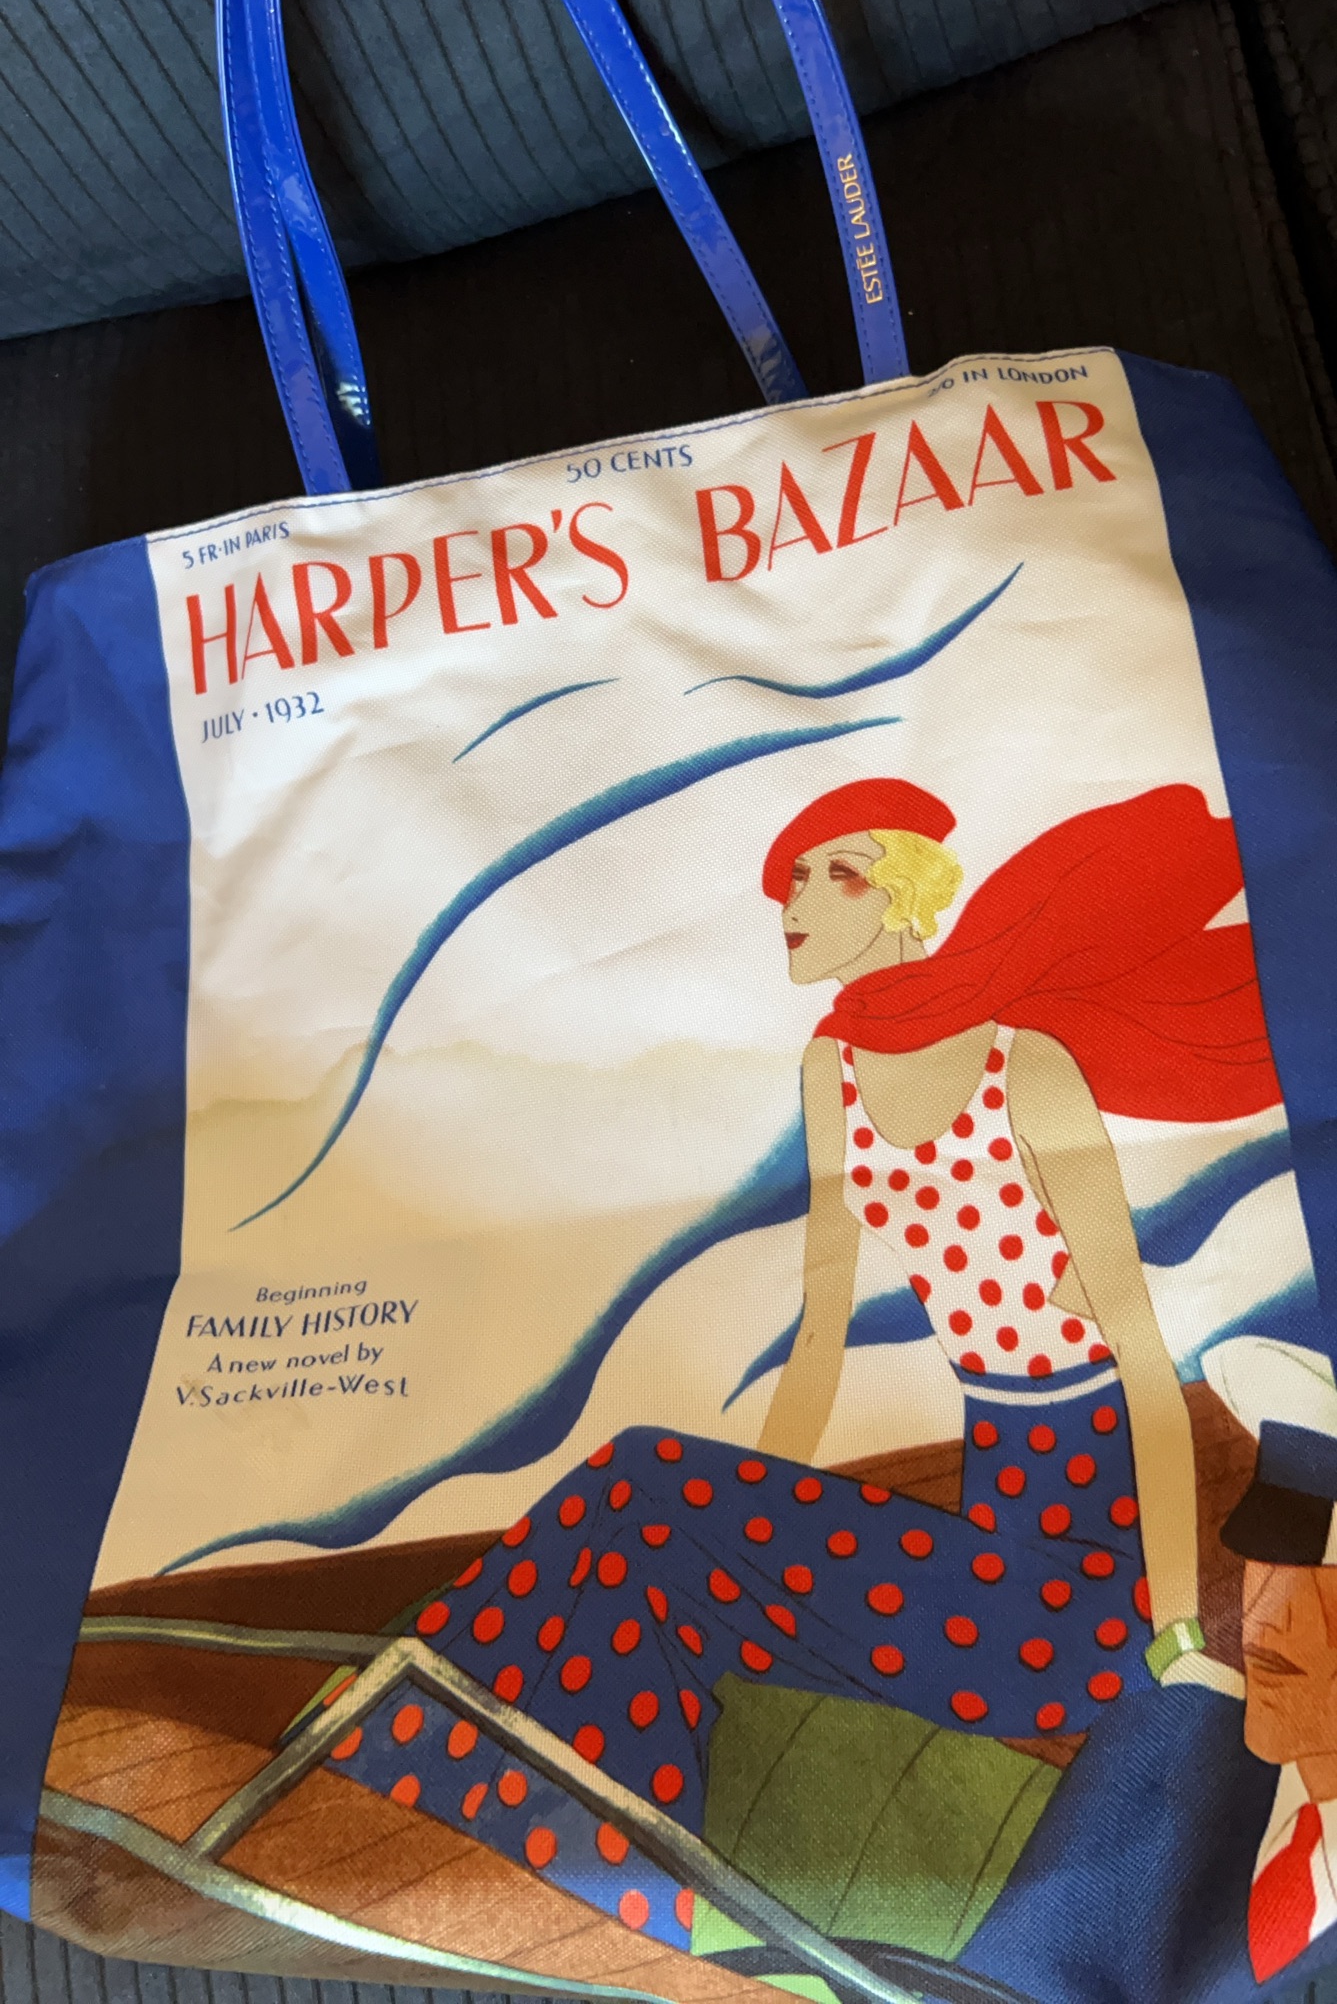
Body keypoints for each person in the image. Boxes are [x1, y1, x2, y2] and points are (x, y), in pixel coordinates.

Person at [322, 777, 1283, 1953]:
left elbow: (1139, 1355)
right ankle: (604, 1861)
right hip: (980, 1552)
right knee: (646, 1545)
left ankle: (409, 1733)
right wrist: (758, 1504)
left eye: (830, 874)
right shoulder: (832, 1068)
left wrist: (1175, 1628)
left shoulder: (1022, 1065)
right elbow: (820, 1329)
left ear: (900, 893)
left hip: (1074, 1602)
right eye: (787, 880)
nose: (791, 901)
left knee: (635, 1477)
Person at [960, 1351, 1337, 2002]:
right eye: (1272, 1562)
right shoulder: (1177, 1734)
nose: (1272, 1615)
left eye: (1328, 1589)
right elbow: (1008, 1972)